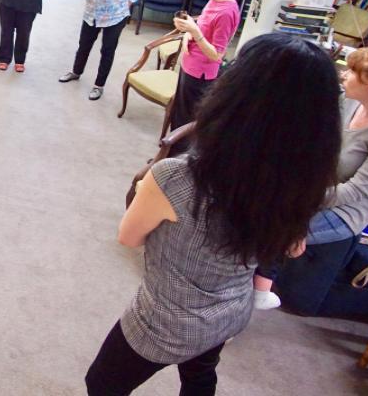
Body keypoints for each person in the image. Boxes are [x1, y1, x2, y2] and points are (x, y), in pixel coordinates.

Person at [85, 33, 342, 395]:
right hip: (230, 313)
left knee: (100, 383)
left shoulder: (177, 177)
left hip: (163, 319)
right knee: (200, 377)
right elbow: (293, 248)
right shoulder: (307, 186)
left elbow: (128, 237)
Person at [253, 46, 368, 316]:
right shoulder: (351, 102)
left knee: (272, 228)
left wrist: (298, 204)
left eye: (352, 71)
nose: (344, 74)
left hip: (345, 209)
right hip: (315, 190)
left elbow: (355, 191)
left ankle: (254, 295)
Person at [170, 0, 240, 131]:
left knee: (185, 120)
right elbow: (204, 23)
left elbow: (217, 54)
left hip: (200, 74)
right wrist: (188, 32)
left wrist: (194, 30)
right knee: (178, 114)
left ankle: (175, 156)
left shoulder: (226, 12)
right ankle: (168, 153)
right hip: (190, 64)